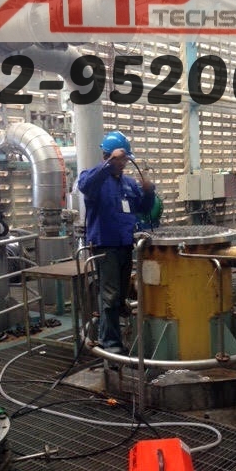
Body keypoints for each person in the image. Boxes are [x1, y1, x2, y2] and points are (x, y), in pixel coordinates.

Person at [77, 130, 155, 354]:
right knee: (110, 296)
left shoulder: (128, 184)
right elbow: (85, 185)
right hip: (105, 247)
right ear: (108, 156)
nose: (125, 163)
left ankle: (113, 334)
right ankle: (110, 345)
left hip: (125, 246)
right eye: (122, 159)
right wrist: (108, 164)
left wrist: (149, 192)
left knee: (120, 297)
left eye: (126, 160)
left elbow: (143, 208)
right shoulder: (94, 179)